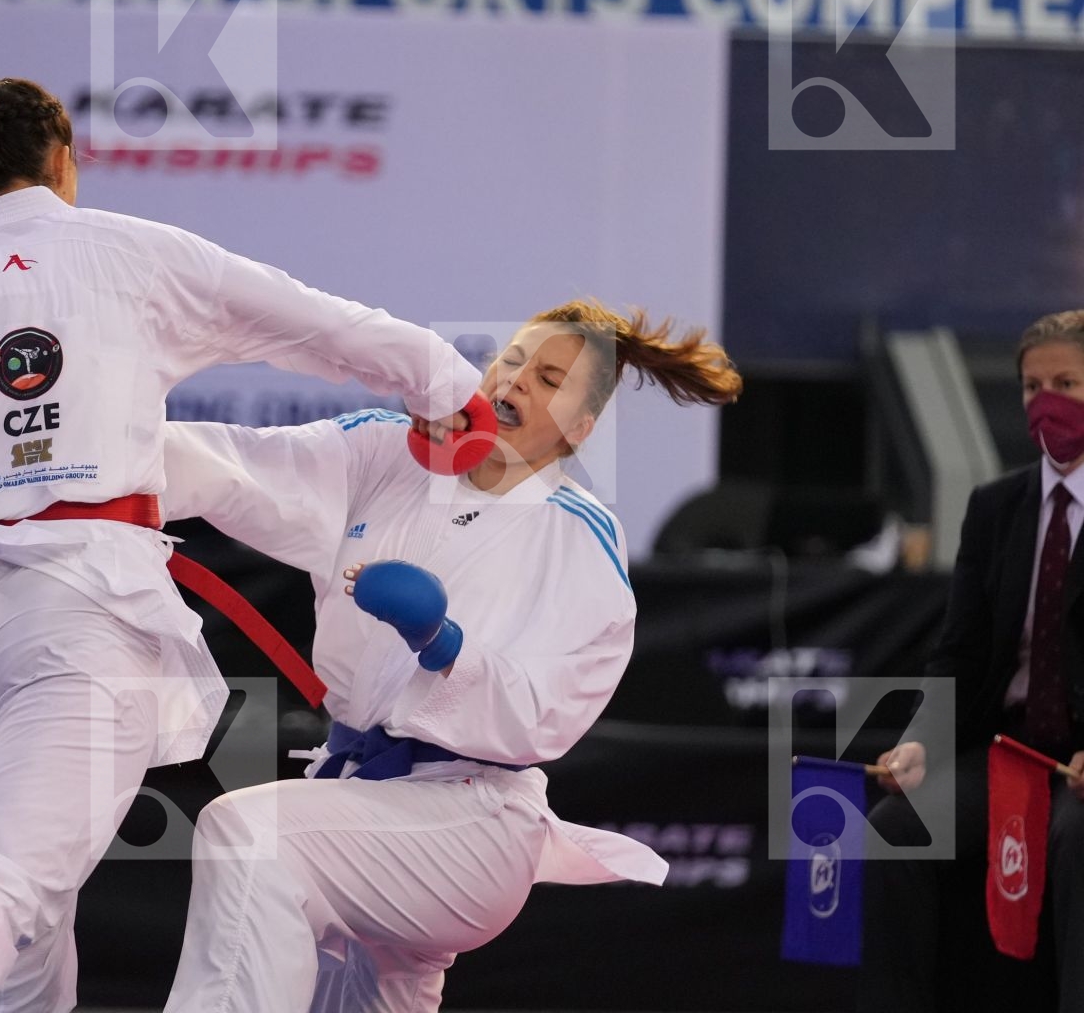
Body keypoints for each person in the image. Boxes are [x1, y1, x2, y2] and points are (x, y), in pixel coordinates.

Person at [0, 77, 484, 1013]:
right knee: (15, 867)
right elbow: (306, 319)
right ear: (64, 162)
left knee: (33, 906)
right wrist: (445, 383)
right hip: (80, 607)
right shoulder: (125, 252)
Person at [156, 298, 743, 1011]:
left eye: (550, 379)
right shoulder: (385, 453)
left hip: (468, 820)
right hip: (357, 798)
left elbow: (548, 715)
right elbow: (236, 466)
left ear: (578, 431)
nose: (518, 381)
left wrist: (446, 646)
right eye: (514, 359)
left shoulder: (577, 533)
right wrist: (79, 462)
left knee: (250, 835)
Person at [863, 310, 1084, 1013]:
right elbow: (956, 651)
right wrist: (920, 744)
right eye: (1032, 386)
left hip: (1079, 768)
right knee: (895, 830)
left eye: (1066, 383)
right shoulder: (994, 508)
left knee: (1078, 848)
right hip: (1003, 755)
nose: (1046, 400)